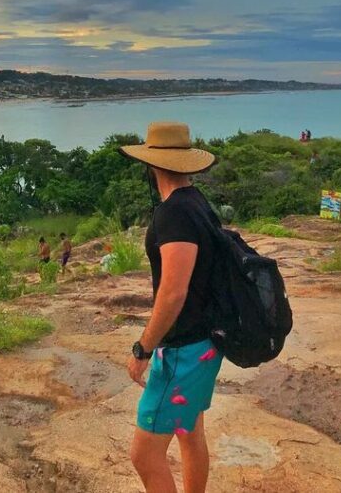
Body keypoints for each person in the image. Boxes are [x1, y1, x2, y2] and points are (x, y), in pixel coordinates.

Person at [119, 121, 222, 493]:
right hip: (204, 343)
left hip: (183, 350)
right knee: (190, 430)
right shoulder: (196, 203)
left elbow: (173, 293)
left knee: (144, 455)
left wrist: (142, 348)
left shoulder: (174, 213)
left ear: (152, 164)